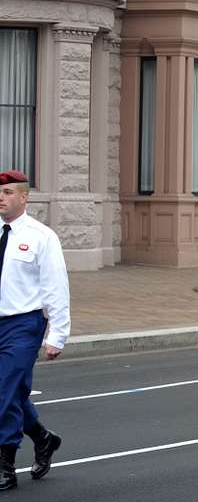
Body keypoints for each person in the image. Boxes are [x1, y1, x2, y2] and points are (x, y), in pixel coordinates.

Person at [0, 170, 68, 491]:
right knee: (12, 391)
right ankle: (42, 437)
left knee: (4, 391)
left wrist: (57, 334)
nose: (2, 197)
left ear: (25, 197)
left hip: (23, 325)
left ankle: (5, 465)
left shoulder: (42, 237)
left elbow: (56, 288)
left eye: (9, 192)